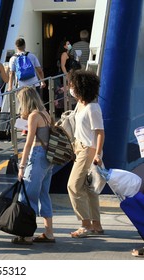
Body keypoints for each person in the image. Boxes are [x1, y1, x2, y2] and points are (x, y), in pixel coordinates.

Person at [12, 86, 55, 245]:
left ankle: (27, 234)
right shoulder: (45, 113)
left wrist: (22, 166)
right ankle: (49, 232)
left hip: (37, 155)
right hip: (48, 157)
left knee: (28, 195)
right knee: (44, 194)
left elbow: (29, 142)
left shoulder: (33, 116)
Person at [67, 70, 105, 238]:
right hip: (79, 147)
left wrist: (97, 154)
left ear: (82, 87)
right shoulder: (79, 104)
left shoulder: (93, 108)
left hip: (89, 150)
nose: (71, 88)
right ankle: (96, 224)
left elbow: (100, 133)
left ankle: (85, 224)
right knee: (89, 189)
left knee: (73, 186)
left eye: (73, 85)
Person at [7, 38, 46, 136]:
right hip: (34, 84)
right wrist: (42, 81)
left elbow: (11, 73)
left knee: (23, 107)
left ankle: (25, 129)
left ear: (16, 47)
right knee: (36, 106)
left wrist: (10, 86)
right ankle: (38, 126)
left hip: (21, 87)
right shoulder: (31, 56)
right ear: (24, 45)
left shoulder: (13, 58)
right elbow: (39, 70)